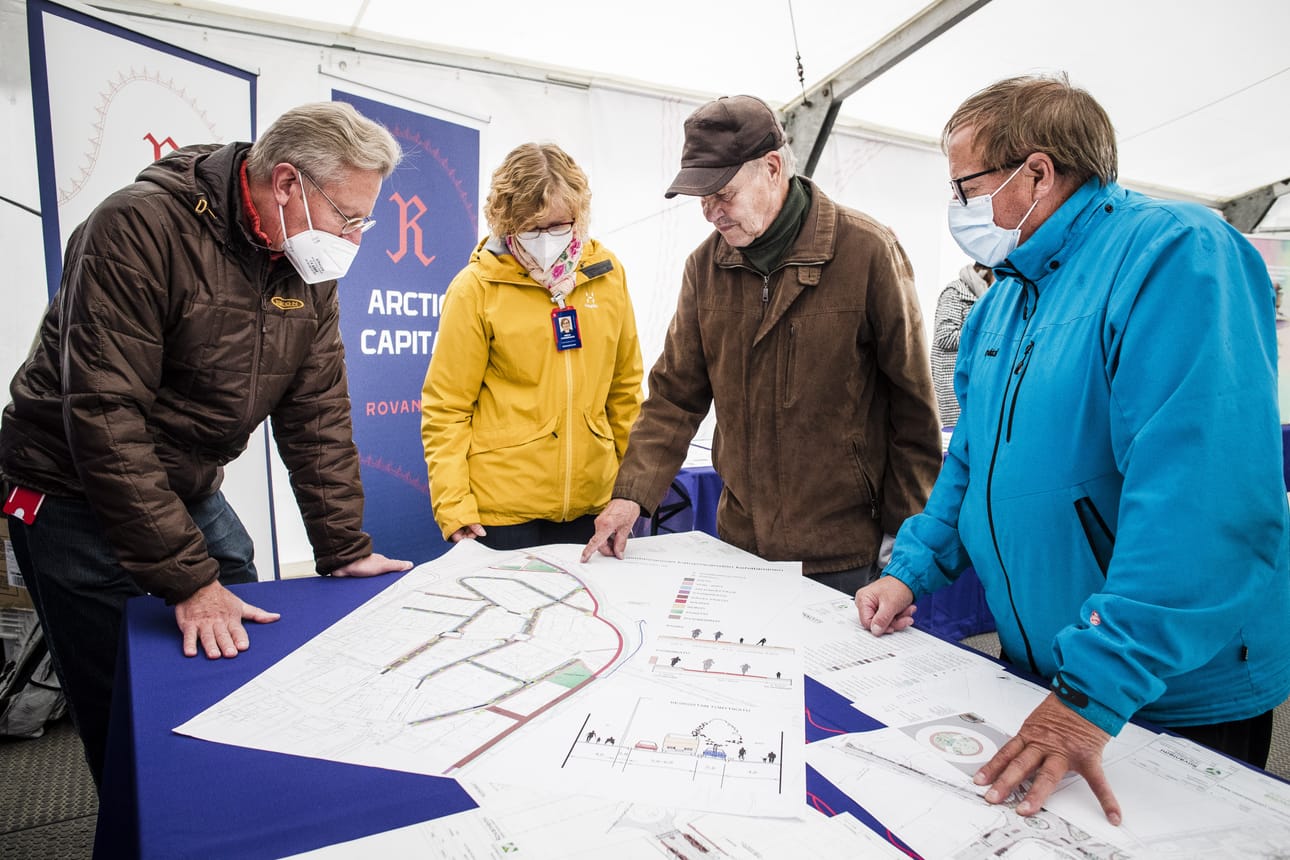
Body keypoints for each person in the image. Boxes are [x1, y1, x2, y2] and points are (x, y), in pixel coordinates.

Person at [857, 73, 1290, 825]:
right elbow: (971, 464)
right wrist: (911, 571)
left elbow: (1200, 498)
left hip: (1158, 686)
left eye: (965, 186)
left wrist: (1095, 686)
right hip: (1049, 670)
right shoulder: (1002, 300)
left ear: (1036, 173)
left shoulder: (1175, 253)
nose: (957, 206)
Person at [0, 101, 414, 787]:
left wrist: (343, 547)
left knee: (246, 644)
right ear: (287, 183)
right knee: (127, 696)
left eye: (361, 223)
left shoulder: (305, 260)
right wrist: (189, 581)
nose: (354, 239)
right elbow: (104, 413)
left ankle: (232, 799)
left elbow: (316, 411)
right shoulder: (136, 227)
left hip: (184, 480)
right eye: (348, 217)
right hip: (70, 488)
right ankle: (143, 817)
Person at [581, 95, 941, 594]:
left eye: (722, 194)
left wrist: (903, 539)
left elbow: (912, 407)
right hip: (740, 542)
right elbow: (674, 397)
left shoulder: (867, 252)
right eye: (701, 199)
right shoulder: (705, 268)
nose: (711, 213)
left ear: (772, 169)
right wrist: (632, 495)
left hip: (843, 550)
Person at [421, 143, 643, 551]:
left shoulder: (607, 276)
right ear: (506, 220)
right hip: (501, 512)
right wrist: (453, 505)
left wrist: (632, 490)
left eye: (558, 225)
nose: (545, 240)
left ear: (579, 214)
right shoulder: (476, 288)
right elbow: (447, 407)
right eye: (531, 227)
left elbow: (625, 390)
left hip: (593, 503)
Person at [931, 262, 993, 425]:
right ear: (985, 274)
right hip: (953, 387)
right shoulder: (955, 293)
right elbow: (945, 336)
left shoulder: (987, 298)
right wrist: (985, 336)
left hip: (976, 385)